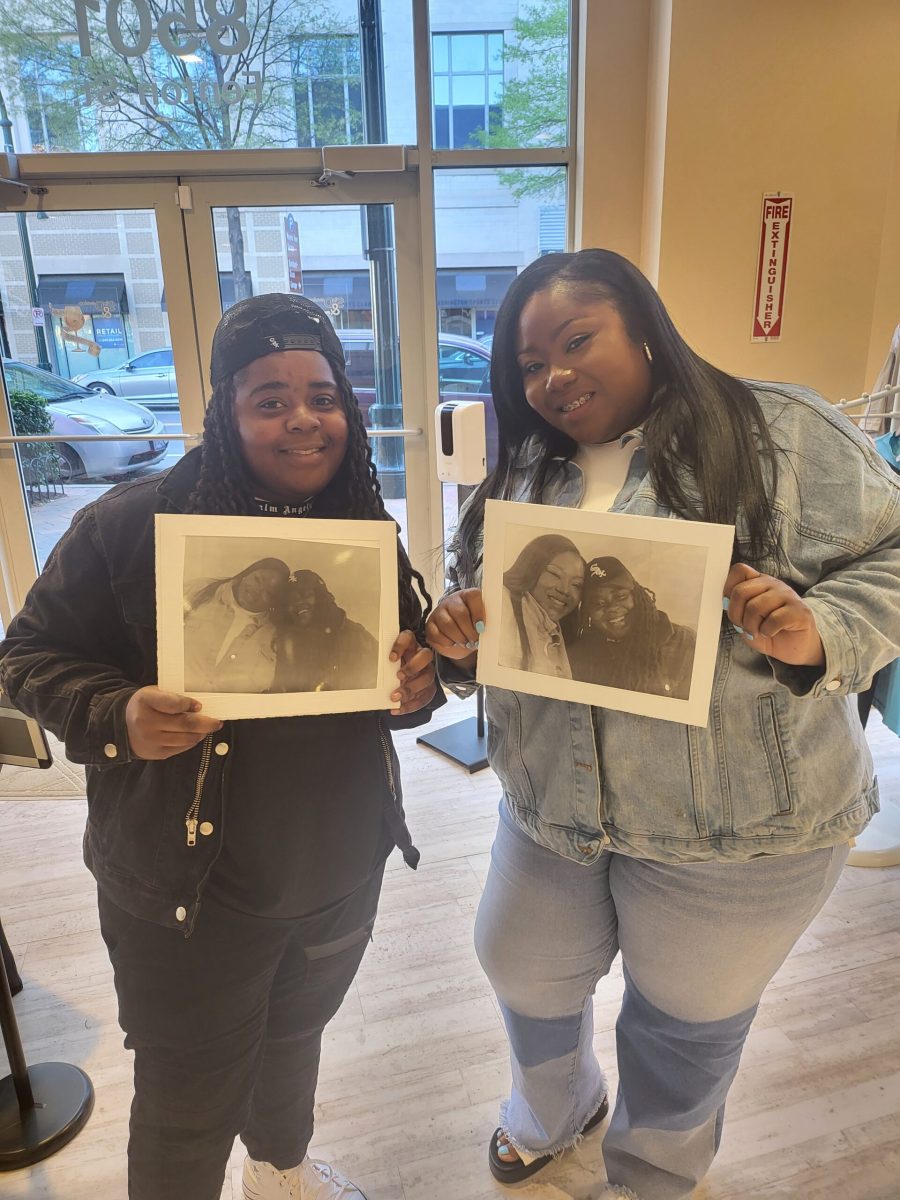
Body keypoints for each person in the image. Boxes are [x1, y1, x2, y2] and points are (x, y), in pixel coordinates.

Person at [425, 249, 900, 1199]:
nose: (554, 377)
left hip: (737, 829)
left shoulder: (777, 431)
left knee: (685, 1025)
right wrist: (460, 639)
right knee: (521, 967)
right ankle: (555, 1112)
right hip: (553, 807)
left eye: (577, 340)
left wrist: (821, 629)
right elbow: (480, 603)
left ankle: (652, 1175)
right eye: (530, 364)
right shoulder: (525, 467)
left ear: (643, 327)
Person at [0, 293, 443, 1200]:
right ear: (225, 411)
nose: (303, 419)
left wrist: (417, 685)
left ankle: (279, 1173)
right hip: (188, 897)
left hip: (335, 873)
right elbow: (24, 657)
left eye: (322, 396)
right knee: (187, 1096)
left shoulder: (365, 524)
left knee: (293, 1044)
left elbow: (399, 681)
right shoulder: (128, 526)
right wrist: (117, 714)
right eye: (270, 399)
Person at [567, 555, 695, 698]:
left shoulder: (685, 643)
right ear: (587, 613)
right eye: (598, 603)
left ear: (638, 596)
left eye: (620, 597)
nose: (612, 608)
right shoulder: (578, 658)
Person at [183, 556, 290, 692]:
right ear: (247, 573)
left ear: (273, 602)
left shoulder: (274, 637)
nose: (258, 590)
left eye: (268, 593)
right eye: (257, 579)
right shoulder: (199, 589)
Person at [271, 569, 379, 692]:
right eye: (292, 600)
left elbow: (378, 678)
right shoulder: (283, 642)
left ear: (321, 598)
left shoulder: (354, 635)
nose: (299, 602)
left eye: (306, 595)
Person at [499, 535, 584, 677]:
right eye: (555, 574)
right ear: (531, 567)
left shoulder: (560, 632)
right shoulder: (503, 603)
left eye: (576, 584)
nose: (565, 590)